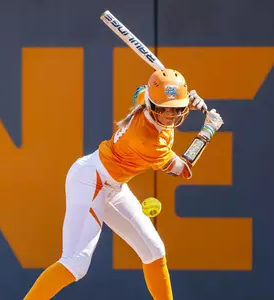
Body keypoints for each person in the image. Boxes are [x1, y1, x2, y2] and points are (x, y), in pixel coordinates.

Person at [24, 69, 224, 300]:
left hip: (115, 186)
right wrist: (208, 129)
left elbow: (140, 92)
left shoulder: (146, 99)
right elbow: (183, 168)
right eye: (163, 108)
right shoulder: (148, 141)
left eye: (176, 109)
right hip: (92, 180)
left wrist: (182, 101)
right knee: (75, 263)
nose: (170, 115)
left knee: (154, 251)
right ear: (150, 105)